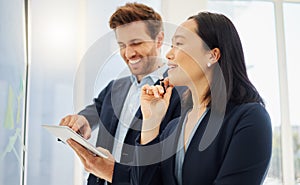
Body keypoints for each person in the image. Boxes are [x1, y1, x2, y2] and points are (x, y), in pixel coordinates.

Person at [133, 11, 272, 185]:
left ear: (212, 55)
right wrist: (150, 123)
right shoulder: (173, 127)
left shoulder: (249, 118)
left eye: (179, 44)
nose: (168, 54)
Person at [60, 3, 184, 185]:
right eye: (122, 45)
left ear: (159, 40)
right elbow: (95, 110)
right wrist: (81, 121)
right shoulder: (115, 87)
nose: (128, 53)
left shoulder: (177, 90)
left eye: (136, 43)